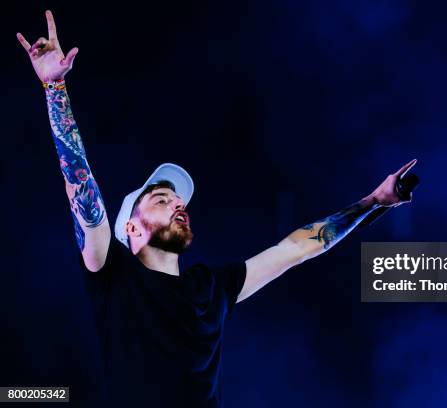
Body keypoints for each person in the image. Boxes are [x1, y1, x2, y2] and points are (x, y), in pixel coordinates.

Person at [17, 10, 418, 407]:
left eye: (177, 199)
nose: (176, 203)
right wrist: (54, 88)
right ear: (132, 230)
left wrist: (373, 203)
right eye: (161, 199)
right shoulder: (113, 275)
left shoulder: (211, 288)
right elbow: (81, 185)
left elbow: (298, 248)